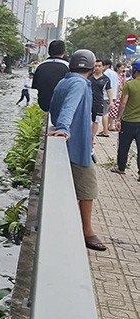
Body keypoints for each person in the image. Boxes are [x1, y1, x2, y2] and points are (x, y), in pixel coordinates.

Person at [48, 49, 106, 251]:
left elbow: (54, 110)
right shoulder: (80, 83)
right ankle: (87, 231)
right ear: (91, 68)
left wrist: (61, 126)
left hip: (69, 146)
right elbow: (68, 109)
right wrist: (64, 128)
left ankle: (76, 228)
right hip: (77, 147)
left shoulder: (64, 81)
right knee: (88, 189)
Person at [111, 59, 140, 181]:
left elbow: (123, 103)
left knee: (123, 146)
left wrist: (118, 118)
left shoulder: (129, 84)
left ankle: (121, 168)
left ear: (135, 70)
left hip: (128, 121)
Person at [32, 40, 69, 112]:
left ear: (49, 52)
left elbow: (35, 86)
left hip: (44, 105)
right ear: (64, 52)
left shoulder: (40, 67)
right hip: (63, 106)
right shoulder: (68, 67)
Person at [89, 59, 113, 137]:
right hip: (88, 102)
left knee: (96, 121)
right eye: (95, 66)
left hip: (99, 103)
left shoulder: (106, 79)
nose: (97, 68)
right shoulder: (89, 77)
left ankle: (92, 137)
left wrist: (111, 101)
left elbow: (109, 90)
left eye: (99, 66)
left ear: (103, 67)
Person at [107, 63, 127, 131]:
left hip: (119, 94)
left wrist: (124, 76)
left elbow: (124, 84)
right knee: (112, 110)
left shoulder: (121, 76)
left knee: (116, 110)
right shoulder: (114, 75)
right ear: (117, 68)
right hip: (115, 93)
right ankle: (109, 125)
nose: (122, 69)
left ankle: (112, 125)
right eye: (121, 68)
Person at [102, 59, 118, 132]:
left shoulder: (106, 73)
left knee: (104, 114)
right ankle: (108, 127)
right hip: (114, 95)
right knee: (108, 113)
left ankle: (105, 130)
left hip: (106, 96)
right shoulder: (115, 74)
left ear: (107, 65)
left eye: (103, 65)